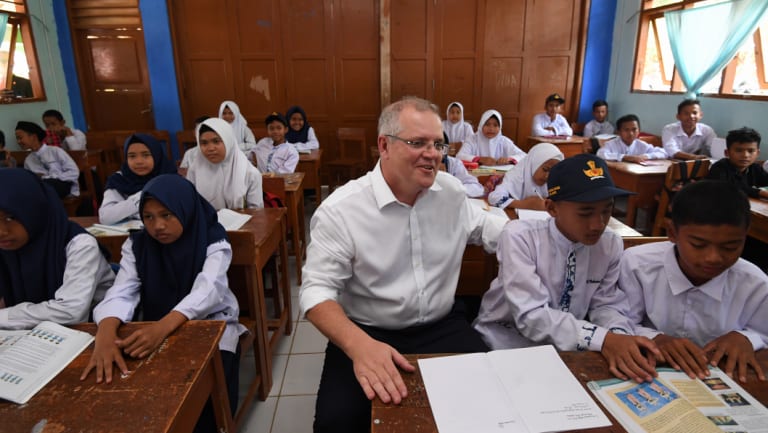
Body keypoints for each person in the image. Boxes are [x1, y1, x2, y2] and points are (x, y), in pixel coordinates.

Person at [300, 96, 507, 432]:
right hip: (368, 331)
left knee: (494, 403)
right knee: (335, 422)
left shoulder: (451, 193)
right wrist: (358, 346)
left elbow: (491, 229)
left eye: (438, 144)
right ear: (384, 145)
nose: (433, 154)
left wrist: (543, 232)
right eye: (418, 143)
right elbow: (316, 292)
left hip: (441, 326)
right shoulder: (343, 210)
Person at [473, 154, 661, 383]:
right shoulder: (520, 237)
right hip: (506, 342)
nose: (598, 224)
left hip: (573, 347)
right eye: (585, 213)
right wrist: (604, 340)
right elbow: (531, 316)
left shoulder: (610, 244)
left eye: (606, 210)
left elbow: (606, 303)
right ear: (551, 208)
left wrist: (620, 339)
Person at [81, 174, 246, 431]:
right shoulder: (138, 245)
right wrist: (105, 330)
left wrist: (163, 327)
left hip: (211, 323)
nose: (157, 226)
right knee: (130, 393)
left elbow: (209, 290)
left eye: (167, 215)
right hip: (154, 325)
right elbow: (123, 290)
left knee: (205, 407)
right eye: (148, 217)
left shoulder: (213, 240)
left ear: (185, 209)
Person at [620, 180, 768, 383]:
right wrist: (654, 338)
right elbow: (618, 319)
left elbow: (763, 332)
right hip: (649, 371)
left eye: (730, 246)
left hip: (720, 378)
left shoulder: (755, 284)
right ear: (672, 233)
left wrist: (747, 338)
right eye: (698, 245)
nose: (713, 258)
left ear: (745, 236)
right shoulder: (637, 264)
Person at [0, 169, 114, 329]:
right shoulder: (7, 244)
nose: (2, 231)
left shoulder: (80, 245)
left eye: (10, 217)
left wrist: (6, 316)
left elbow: (71, 312)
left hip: (93, 330)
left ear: (34, 210)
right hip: (31, 336)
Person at [99, 133, 178, 224]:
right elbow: (105, 217)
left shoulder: (170, 179)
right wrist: (141, 197)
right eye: (132, 156)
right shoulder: (119, 179)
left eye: (146, 155)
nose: (139, 161)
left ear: (157, 155)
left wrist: (126, 211)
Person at [187, 117, 264, 210]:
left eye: (216, 141)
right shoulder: (194, 170)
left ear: (228, 141)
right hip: (206, 223)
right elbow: (191, 206)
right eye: (204, 143)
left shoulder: (250, 174)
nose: (210, 148)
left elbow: (256, 212)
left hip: (243, 223)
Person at [487, 142, 564, 210]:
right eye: (545, 169)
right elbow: (494, 198)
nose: (547, 176)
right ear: (533, 163)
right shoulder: (516, 175)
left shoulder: (554, 179)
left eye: (553, 172)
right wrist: (525, 204)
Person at [16, 121, 80, 199]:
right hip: (42, 189)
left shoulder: (55, 151)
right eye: (17, 139)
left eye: (20, 138)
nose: (18, 142)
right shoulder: (28, 160)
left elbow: (74, 172)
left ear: (33, 137)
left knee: (46, 187)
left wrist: (49, 177)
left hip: (63, 185)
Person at [706, 127, 768, 200]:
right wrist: (760, 192)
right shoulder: (719, 167)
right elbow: (732, 188)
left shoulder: (755, 168)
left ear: (757, 153)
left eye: (751, 151)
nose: (745, 155)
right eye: (739, 150)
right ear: (727, 153)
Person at [456, 109, 526, 166]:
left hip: (499, 177)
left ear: (500, 127)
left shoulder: (504, 141)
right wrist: (480, 159)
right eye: (487, 124)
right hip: (476, 177)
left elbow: (523, 155)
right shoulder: (472, 139)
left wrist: (509, 159)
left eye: (495, 125)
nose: (491, 129)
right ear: (481, 125)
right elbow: (460, 156)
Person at [597, 114, 667, 163]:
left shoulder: (641, 145)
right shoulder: (611, 144)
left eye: (634, 129)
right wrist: (625, 157)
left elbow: (663, 153)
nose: (631, 133)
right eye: (626, 130)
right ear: (619, 132)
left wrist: (646, 156)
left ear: (639, 130)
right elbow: (600, 154)